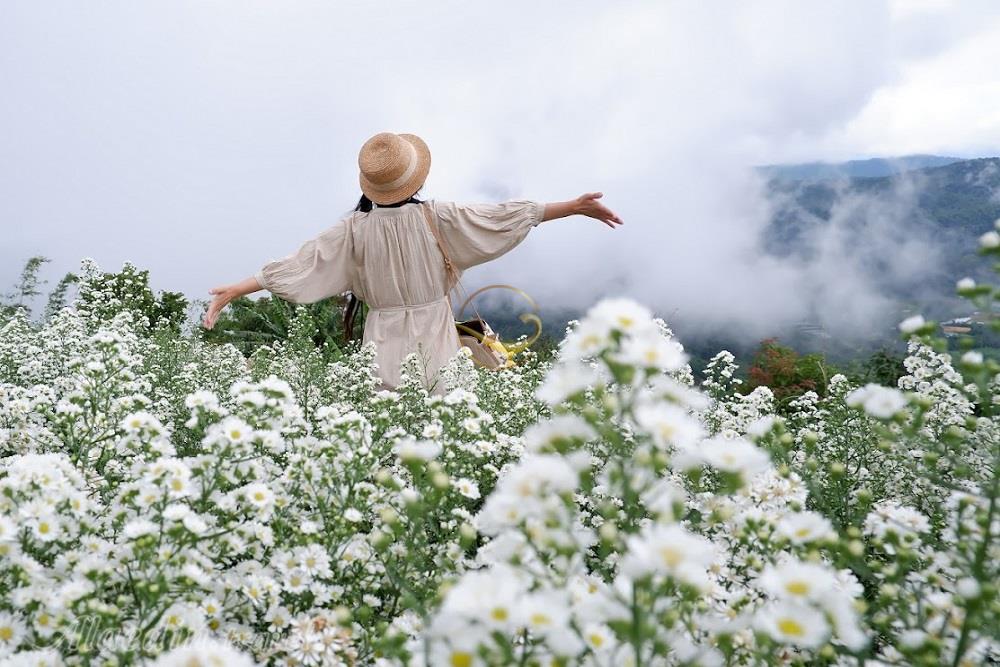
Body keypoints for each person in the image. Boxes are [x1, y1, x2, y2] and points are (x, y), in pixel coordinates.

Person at [203, 131, 622, 393]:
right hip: (434, 332)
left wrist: (239, 288)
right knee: (444, 410)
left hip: (382, 335)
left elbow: (301, 265)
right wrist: (570, 207)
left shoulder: (352, 229)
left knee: (388, 414)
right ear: (417, 180)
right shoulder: (436, 215)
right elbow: (501, 216)